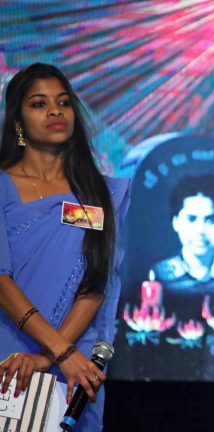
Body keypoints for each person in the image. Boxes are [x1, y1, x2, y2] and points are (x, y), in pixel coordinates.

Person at [0, 63, 130, 431]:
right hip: (10, 352)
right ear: (18, 121)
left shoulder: (97, 194)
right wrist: (59, 351)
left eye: (63, 102)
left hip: (73, 364)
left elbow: (95, 284)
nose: (56, 111)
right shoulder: (3, 184)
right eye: (39, 104)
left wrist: (52, 356)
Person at [150, 174, 214, 292]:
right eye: (191, 219)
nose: (200, 230)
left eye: (211, 220)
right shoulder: (159, 274)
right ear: (176, 222)